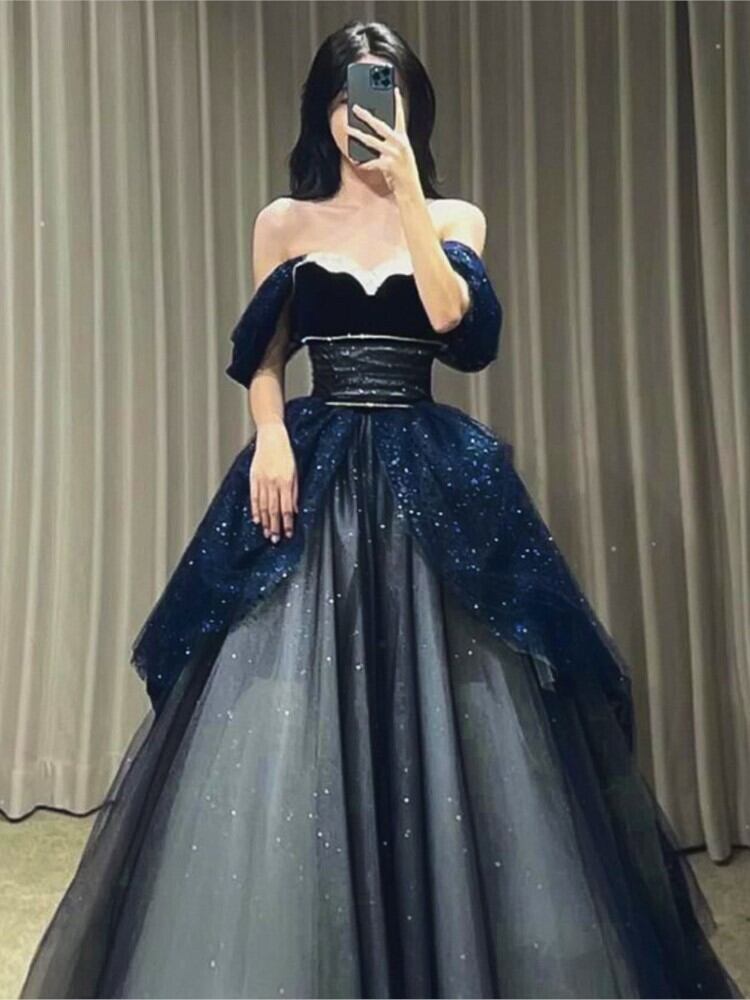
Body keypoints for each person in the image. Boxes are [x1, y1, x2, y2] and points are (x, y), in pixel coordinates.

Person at [20, 20, 743, 1000]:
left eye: (383, 93)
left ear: (409, 105)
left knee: (462, 706)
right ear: (323, 110)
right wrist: (269, 436)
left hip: (427, 468)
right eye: (347, 97)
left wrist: (407, 193)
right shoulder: (284, 222)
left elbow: (459, 330)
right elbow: (263, 357)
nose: (361, 114)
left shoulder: (452, 217)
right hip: (313, 465)